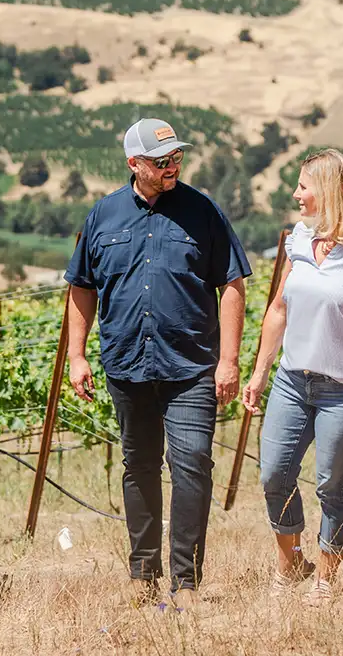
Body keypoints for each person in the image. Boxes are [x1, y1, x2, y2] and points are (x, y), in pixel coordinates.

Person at [65, 117, 251, 612]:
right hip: (126, 365)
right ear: (134, 163)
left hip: (191, 366)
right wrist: (77, 355)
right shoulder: (102, 216)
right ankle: (143, 573)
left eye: (176, 158)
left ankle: (186, 582)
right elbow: (81, 286)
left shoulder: (203, 212)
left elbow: (232, 284)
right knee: (139, 466)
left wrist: (229, 360)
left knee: (192, 466)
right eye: (161, 160)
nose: (173, 166)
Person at [240, 148, 343, 607]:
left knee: (331, 483)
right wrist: (259, 371)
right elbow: (279, 309)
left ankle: (325, 579)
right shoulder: (297, 242)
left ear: (329, 192)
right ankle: (291, 561)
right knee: (274, 475)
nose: (296, 194)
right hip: (292, 382)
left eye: (303, 186)